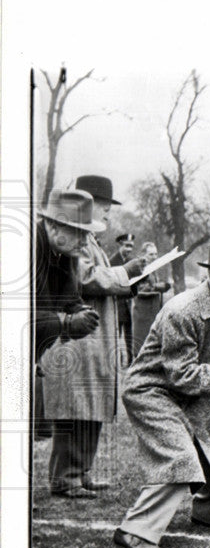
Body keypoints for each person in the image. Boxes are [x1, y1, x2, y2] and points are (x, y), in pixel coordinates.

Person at [113, 241, 210, 548]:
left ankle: (208, 515)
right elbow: (180, 375)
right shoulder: (182, 310)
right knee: (179, 455)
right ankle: (134, 531)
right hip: (151, 390)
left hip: (189, 391)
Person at [40, 176, 145, 498]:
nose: (107, 213)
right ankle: (65, 477)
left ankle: (81, 472)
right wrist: (126, 272)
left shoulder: (89, 238)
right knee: (75, 407)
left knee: (92, 408)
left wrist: (132, 278)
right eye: (104, 205)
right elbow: (85, 277)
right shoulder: (74, 237)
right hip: (77, 339)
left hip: (94, 339)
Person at [33, 189, 103, 462]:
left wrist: (79, 311)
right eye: (79, 233)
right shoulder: (25, 248)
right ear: (53, 225)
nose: (86, 242)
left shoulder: (65, 251)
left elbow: (68, 298)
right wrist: (66, 323)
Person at [132, 242, 172, 357]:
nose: (154, 257)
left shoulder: (153, 269)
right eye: (151, 254)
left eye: (155, 254)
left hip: (153, 311)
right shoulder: (140, 269)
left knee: (152, 344)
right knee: (141, 346)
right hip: (143, 313)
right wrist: (158, 287)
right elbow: (139, 290)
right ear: (143, 255)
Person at [107, 230, 136, 364]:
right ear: (120, 246)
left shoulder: (131, 261)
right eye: (126, 246)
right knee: (115, 334)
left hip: (128, 303)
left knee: (129, 334)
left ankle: (130, 360)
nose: (129, 249)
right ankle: (116, 360)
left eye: (131, 246)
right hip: (116, 303)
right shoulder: (112, 261)